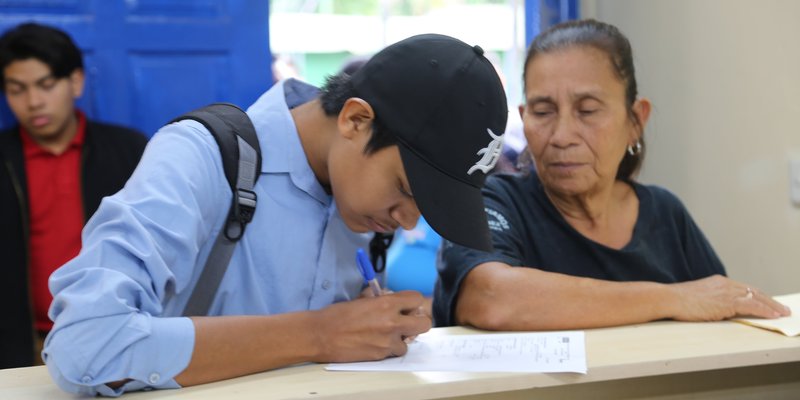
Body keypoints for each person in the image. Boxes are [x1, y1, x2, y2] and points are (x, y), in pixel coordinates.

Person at [44, 33, 508, 395]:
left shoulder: (360, 202)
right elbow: (85, 344)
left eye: (426, 209)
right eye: (406, 191)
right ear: (355, 120)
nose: (408, 222)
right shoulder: (201, 159)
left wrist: (369, 328)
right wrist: (318, 334)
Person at [433, 19, 791, 330]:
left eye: (587, 110)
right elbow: (490, 297)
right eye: (543, 112)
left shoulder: (666, 213)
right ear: (524, 118)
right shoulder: (494, 203)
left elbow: (718, 313)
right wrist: (672, 298)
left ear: (636, 120)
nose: (561, 136)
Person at [0, 22, 147, 369]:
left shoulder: (129, 151)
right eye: (17, 89)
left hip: (116, 340)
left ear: (76, 82)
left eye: (46, 85)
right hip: (20, 348)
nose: (34, 102)